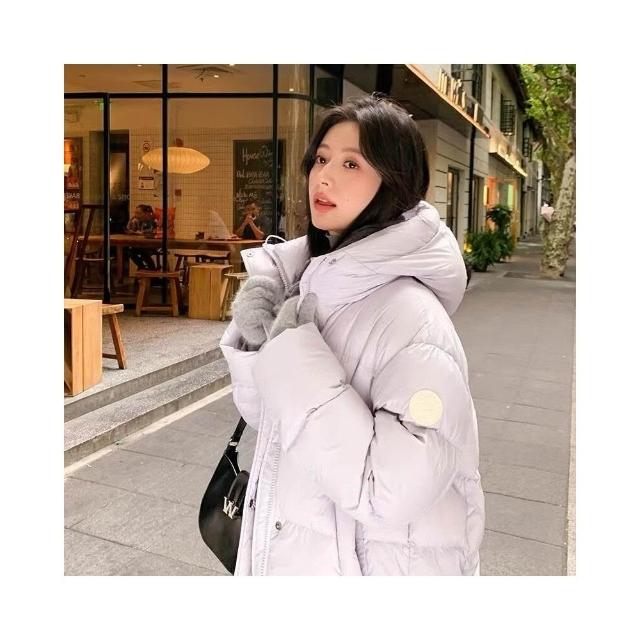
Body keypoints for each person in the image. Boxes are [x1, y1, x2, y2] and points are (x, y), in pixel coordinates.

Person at [220, 94, 485, 576]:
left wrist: (291, 355)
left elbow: (390, 492)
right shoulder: (311, 286)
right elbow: (274, 424)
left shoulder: (414, 320)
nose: (323, 177)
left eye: (351, 164)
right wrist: (261, 343)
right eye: (320, 159)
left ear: (394, 182)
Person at [125, 204, 159, 271]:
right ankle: (142, 268)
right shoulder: (138, 221)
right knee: (130, 251)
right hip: (142, 245)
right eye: (136, 213)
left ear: (145, 213)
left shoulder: (152, 221)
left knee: (143, 252)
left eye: (139, 213)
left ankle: (149, 270)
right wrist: (131, 219)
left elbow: (153, 232)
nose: (136, 215)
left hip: (152, 245)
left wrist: (141, 233)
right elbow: (128, 229)